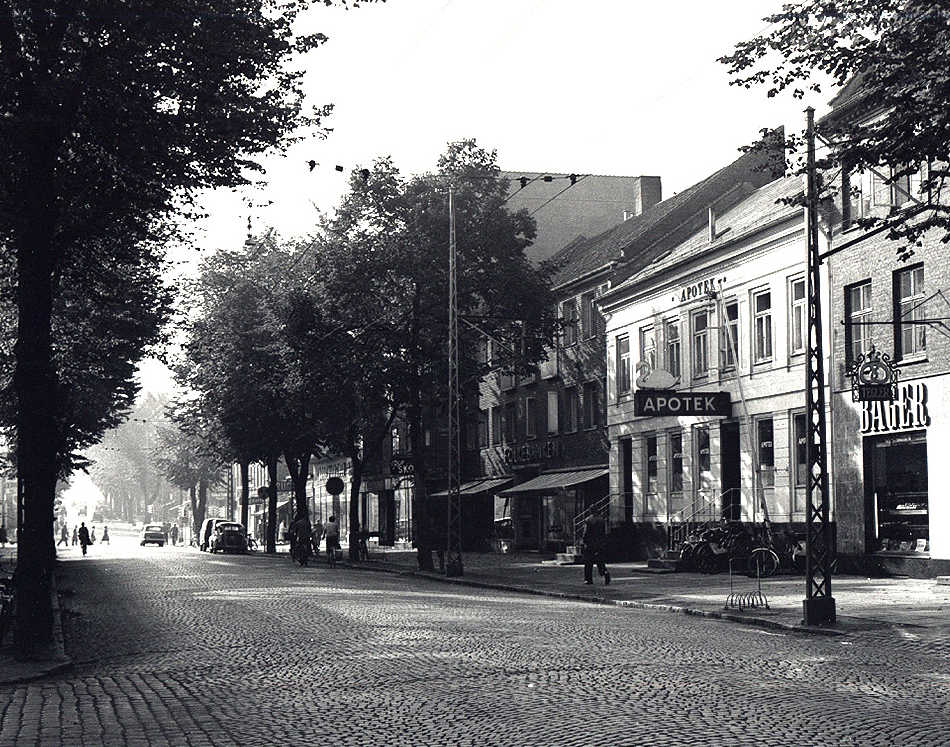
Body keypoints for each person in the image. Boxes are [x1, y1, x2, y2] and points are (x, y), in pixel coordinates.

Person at [581, 512, 610, 586]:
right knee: (600, 561)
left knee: (588, 562)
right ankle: (605, 573)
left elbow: (585, 533)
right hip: (599, 544)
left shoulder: (588, 520)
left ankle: (588, 579)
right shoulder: (602, 520)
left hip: (590, 545)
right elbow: (605, 533)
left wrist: (584, 541)